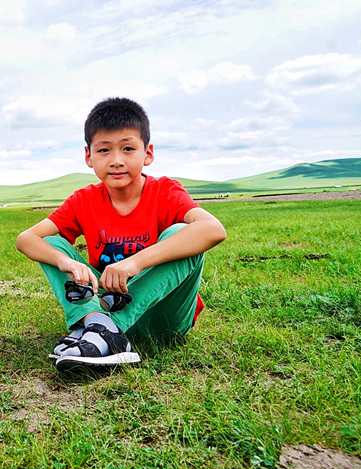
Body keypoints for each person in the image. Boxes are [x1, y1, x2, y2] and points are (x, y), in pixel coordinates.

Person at [16, 97, 227, 371]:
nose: (116, 161)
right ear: (89, 157)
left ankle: (103, 331)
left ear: (147, 153)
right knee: (50, 243)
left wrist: (134, 263)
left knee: (183, 232)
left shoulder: (164, 192)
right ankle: (101, 327)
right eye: (104, 150)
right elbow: (27, 238)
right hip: (106, 305)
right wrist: (67, 262)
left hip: (163, 319)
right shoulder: (84, 200)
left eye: (128, 148)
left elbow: (213, 229)